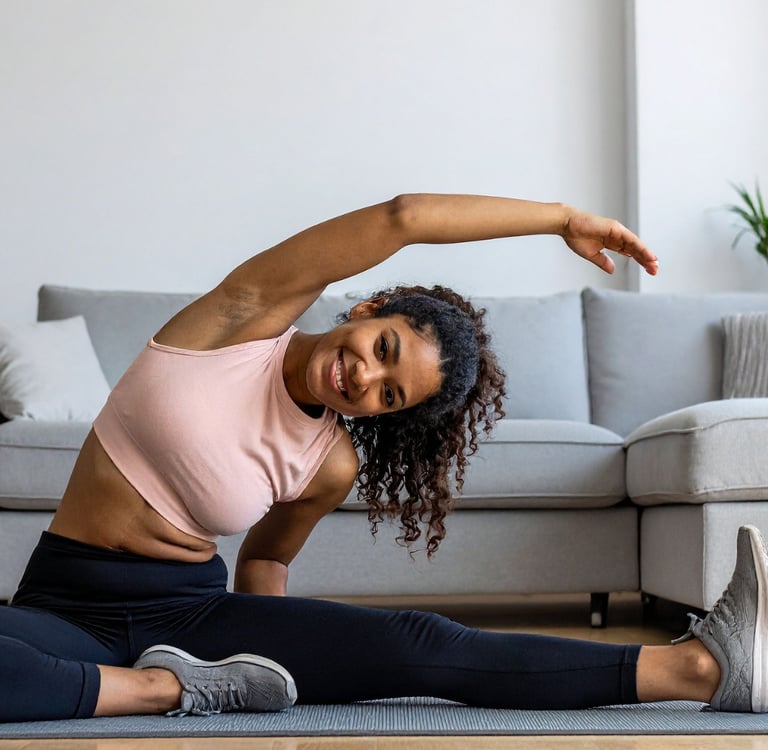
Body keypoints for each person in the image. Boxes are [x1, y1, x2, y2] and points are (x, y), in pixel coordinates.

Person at [0, 194, 765, 721]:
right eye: (384, 348)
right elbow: (403, 217)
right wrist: (561, 218)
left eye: (389, 395)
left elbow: (263, 565)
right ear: (368, 310)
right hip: (66, 607)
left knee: (419, 644)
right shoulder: (239, 319)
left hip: (189, 613)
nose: (365, 378)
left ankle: (700, 669)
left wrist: (278, 644)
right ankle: (163, 693)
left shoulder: (329, 464)